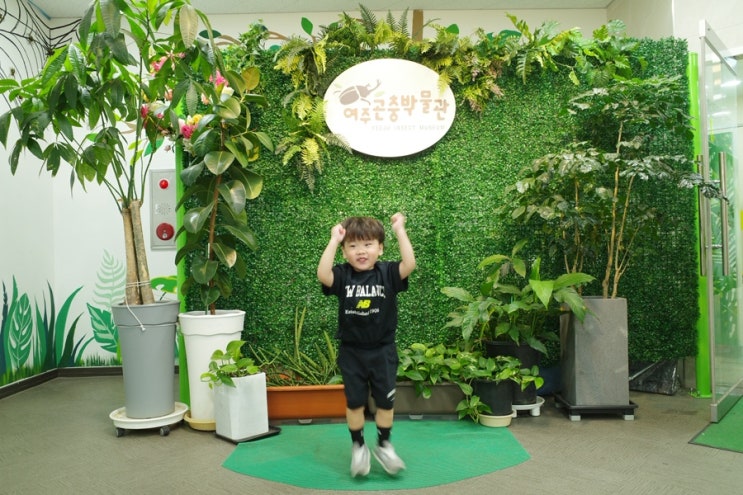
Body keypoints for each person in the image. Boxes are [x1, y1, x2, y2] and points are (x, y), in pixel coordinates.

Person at [317, 213, 416, 477]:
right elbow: (323, 274)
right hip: (352, 353)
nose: (361, 251)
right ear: (345, 252)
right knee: (355, 404)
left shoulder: (388, 273)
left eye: (368, 244)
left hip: (383, 351)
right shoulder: (342, 275)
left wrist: (400, 230)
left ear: (380, 248)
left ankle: (384, 445)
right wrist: (333, 240)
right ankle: (358, 447)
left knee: (386, 403)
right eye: (353, 246)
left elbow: (409, 263)